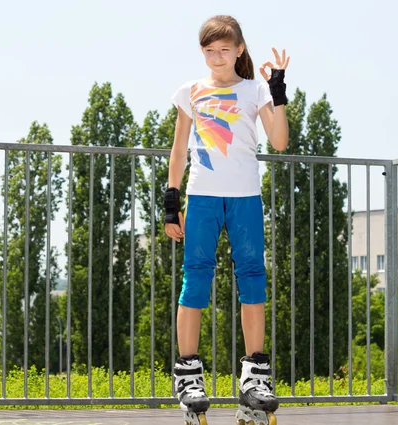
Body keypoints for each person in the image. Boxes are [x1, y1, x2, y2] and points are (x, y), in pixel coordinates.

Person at [164, 14, 290, 425]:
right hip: (201, 196)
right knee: (195, 276)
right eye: (209, 50)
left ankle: (255, 377)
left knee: (252, 276)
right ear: (202, 52)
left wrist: (278, 89)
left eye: (224, 49)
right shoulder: (191, 91)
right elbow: (179, 150)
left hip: (245, 198)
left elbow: (280, 141)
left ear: (239, 49)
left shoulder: (255, 89)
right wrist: (171, 201)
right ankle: (188, 376)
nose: (217, 57)